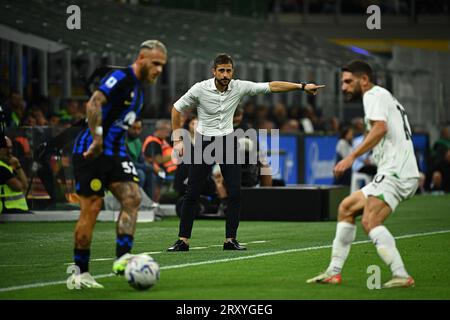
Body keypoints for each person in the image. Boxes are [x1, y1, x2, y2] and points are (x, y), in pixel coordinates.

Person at [168, 53, 324, 252]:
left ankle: (230, 240)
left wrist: (302, 87)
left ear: (232, 71)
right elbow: (176, 108)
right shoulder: (200, 89)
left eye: (228, 70)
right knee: (192, 193)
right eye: (221, 70)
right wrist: (177, 139)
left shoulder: (239, 87)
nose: (225, 74)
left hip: (227, 141)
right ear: (213, 71)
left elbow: (271, 86)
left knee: (235, 192)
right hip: (204, 142)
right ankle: (183, 241)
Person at [307, 60, 419, 288]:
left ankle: (401, 274)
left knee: (370, 220)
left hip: (395, 172)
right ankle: (333, 272)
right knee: (346, 207)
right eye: (342, 82)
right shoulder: (384, 97)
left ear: (364, 80)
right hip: (397, 171)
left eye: (348, 81)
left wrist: (351, 156)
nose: (344, 87)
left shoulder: (373, 95)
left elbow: (380, 128)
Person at [69, 40, 167, 288]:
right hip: (91, 151)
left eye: (162, 65)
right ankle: (80, 273)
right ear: (141, 58)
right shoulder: (120, 77)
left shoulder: (139, 92)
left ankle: (123, 257)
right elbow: (94, 103)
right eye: (155, 63)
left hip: (116, 153)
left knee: (132, 197)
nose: (159, 70)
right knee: (91, 208)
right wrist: (98, 138)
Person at [142, 119, 177, 202]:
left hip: (171, 168)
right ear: (160, 130)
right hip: (158, 170)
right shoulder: (153, 142)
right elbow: (157, 160)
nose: (168, 134)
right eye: (167, 131)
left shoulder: (162, 140)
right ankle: (155, 202)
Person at [0, 136, 29, 213]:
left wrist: (17, 166)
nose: (9, 151)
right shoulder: (2, 168)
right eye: (6, 148)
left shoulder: (8, 165)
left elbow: (25, 186)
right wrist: (18, 167)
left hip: (15, 210)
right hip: (9, 209)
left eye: (11, 148)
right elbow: (19, 187)